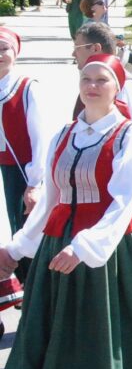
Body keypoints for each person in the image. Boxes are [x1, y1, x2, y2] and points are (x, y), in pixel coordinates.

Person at [0, 54, 132, 369]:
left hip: (114, 248)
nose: (92, 86)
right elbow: (51, 201)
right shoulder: (65, 135)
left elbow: (123, 204)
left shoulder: (130, 137)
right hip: (59, 241)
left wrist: (83, 247)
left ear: (117, 87)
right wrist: (16, 248)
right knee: (51, 329)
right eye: (86, 79)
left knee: (106, 330)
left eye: (102, 80)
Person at [0, 27, 54, 284]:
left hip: (18, 173)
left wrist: (35, 182)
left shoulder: (26, 88)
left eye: (4, 49)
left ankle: (30, 288)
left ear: (15, 53)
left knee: (24, 232)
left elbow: (40, 137)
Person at [69, 22, 132, 130]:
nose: (73, 54)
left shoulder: (124, 86)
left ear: (95, 48)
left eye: (77, 47)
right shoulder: (92, 81)